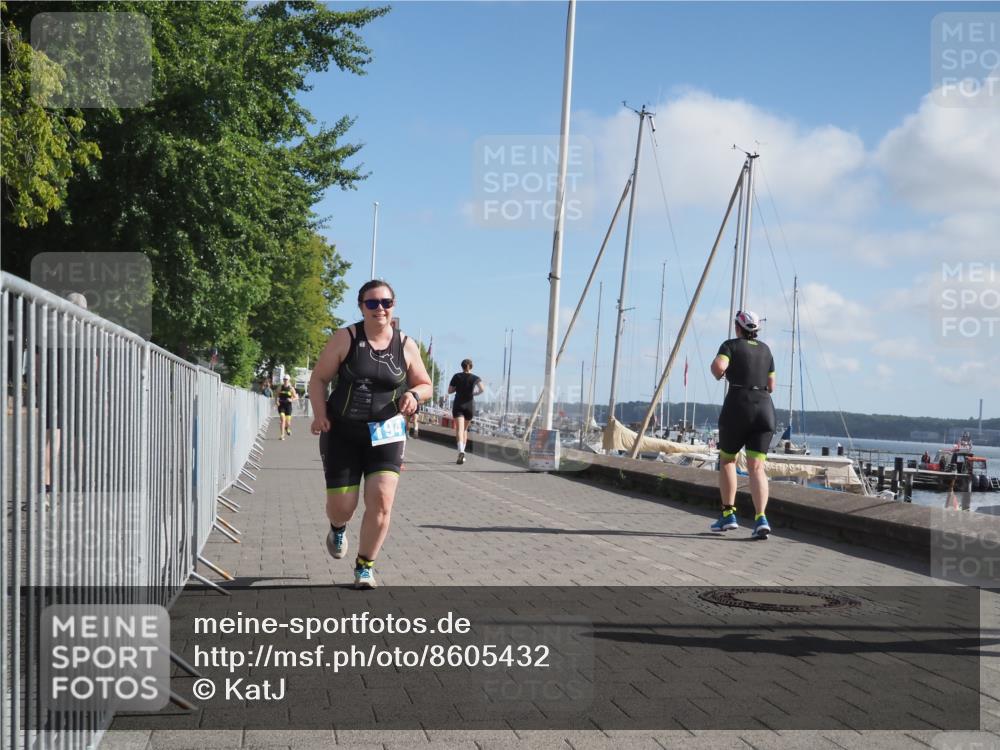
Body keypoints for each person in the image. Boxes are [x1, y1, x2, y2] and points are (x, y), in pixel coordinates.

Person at [308, 280, 432, 589]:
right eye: (372, 303)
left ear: (394, 305)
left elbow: (426, 384)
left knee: (382, 500)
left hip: (386, 432)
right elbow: (318, 379)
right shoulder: (345, 338)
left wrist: (415, 396)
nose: (380, 309)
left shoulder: (406, 345)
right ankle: (338, 527)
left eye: (386, 302)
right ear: (361, 306)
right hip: (342, 432)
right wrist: (320, 415)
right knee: (343, 507)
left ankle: (365, 566)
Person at [709, 310, 777, 539]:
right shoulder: (766, 350)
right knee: (757, 468)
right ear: (755, 330)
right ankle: (761, 519)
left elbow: (718, 368)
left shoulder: (730, 345)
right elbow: (771, 384)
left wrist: (723, 371)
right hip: (765, 410)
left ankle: (728, 514)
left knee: (728, 460)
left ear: (738, 327)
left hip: (738, 406)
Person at [448, 359, 484, 465]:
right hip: (470, 405)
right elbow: (482, 389)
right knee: (464, 429)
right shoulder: (475, 378)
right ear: (471, 367)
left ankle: (461, 451)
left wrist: (457, 388)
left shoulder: (456, 376)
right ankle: (463, 455)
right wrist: (474, 393)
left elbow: (449, 391)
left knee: (459, 429)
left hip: (458, 404)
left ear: (462, 366)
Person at [275, 375, 298, 439]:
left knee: (288, 423)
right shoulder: (280, 387)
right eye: (284, 379)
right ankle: (282, 435)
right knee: (283, 420)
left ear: (289, 380)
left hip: (288, 406)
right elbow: (276, 395)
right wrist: (276, 401)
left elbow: (296, 397)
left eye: (286, 379)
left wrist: (291, 399)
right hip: (281, 405)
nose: (285, 380)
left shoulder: (291, 388)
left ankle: (287, 428)